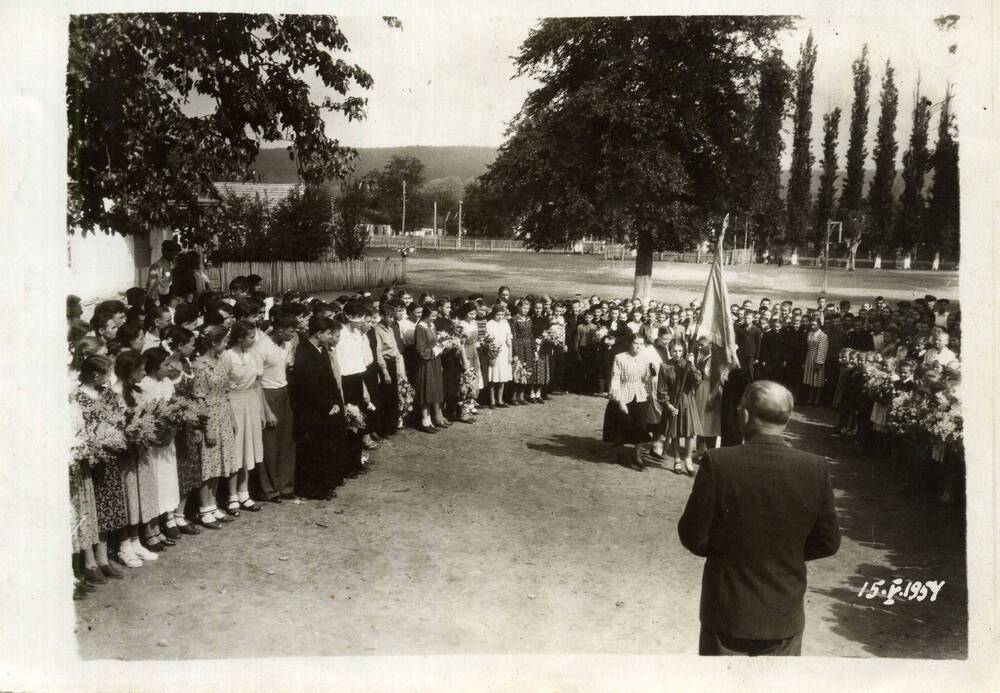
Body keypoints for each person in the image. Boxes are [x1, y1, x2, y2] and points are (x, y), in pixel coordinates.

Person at [678, 380, 841, 656]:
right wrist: (786, 553)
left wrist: (730, 551)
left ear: (743, 415)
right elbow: (828, 542)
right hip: (782, 614)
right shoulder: (815, 467)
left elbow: (693, 535)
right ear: (787, 419)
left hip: (728, 611)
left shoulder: (719, 462)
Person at [290, 316, 344, 500]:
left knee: (323, 448)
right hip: (312, 411)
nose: (330, 336)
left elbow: (330, 379)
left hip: (326, 408)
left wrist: (336, 401)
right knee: (312, 450)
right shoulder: (304, 353)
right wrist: (327, 405)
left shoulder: (321, 350)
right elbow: (308, 387)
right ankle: (311, 488)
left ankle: (323, 484)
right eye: (328, 333)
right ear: (318, 333)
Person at [602, 332, 651, 468]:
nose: (639, 346)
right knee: (623, 424)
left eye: (641, 344)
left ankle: (637, 454)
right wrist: (621, 401)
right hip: (624, 393)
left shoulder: (645, 358)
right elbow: (615, 380)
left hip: (640, 394)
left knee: (640, 425)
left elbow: (645, 379)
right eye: (636, 343)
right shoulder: (620, 358)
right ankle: (621, 454)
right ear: (630, 343)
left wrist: (649, 376)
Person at [656, 339, 702, 475]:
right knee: (674, 433)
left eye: (680, 351)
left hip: (687, 401)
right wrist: (668, 405)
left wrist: (692, 365)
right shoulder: (664, 366)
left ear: (684, 351)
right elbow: (661, 389)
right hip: (673, 401)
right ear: (669, 351)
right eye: (674, 351)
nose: (677, 354)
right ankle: (676, 459)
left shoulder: (687, 364)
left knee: (689, 433)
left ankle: (687, 458)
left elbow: (698, 381)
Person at [146, 239, 182, 305]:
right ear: (165, 252)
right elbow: (152, 284)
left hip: (170, 298)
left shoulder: (172, 265)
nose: (175, 255)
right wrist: (155, 300)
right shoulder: (157, 266)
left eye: (176, 253)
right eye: (174, 252)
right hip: (160, 299)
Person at [802, 318, 829, 405]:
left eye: (814, 325)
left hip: (817, 359)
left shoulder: (823, 336)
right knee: (810, 380)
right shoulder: (810, 333)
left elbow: (822, 350)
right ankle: (810, 398)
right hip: (809, 358)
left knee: (817, 380)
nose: (812, 326)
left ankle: (817, 399)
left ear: (819, 325)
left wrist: (819, 362)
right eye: (811, 325)